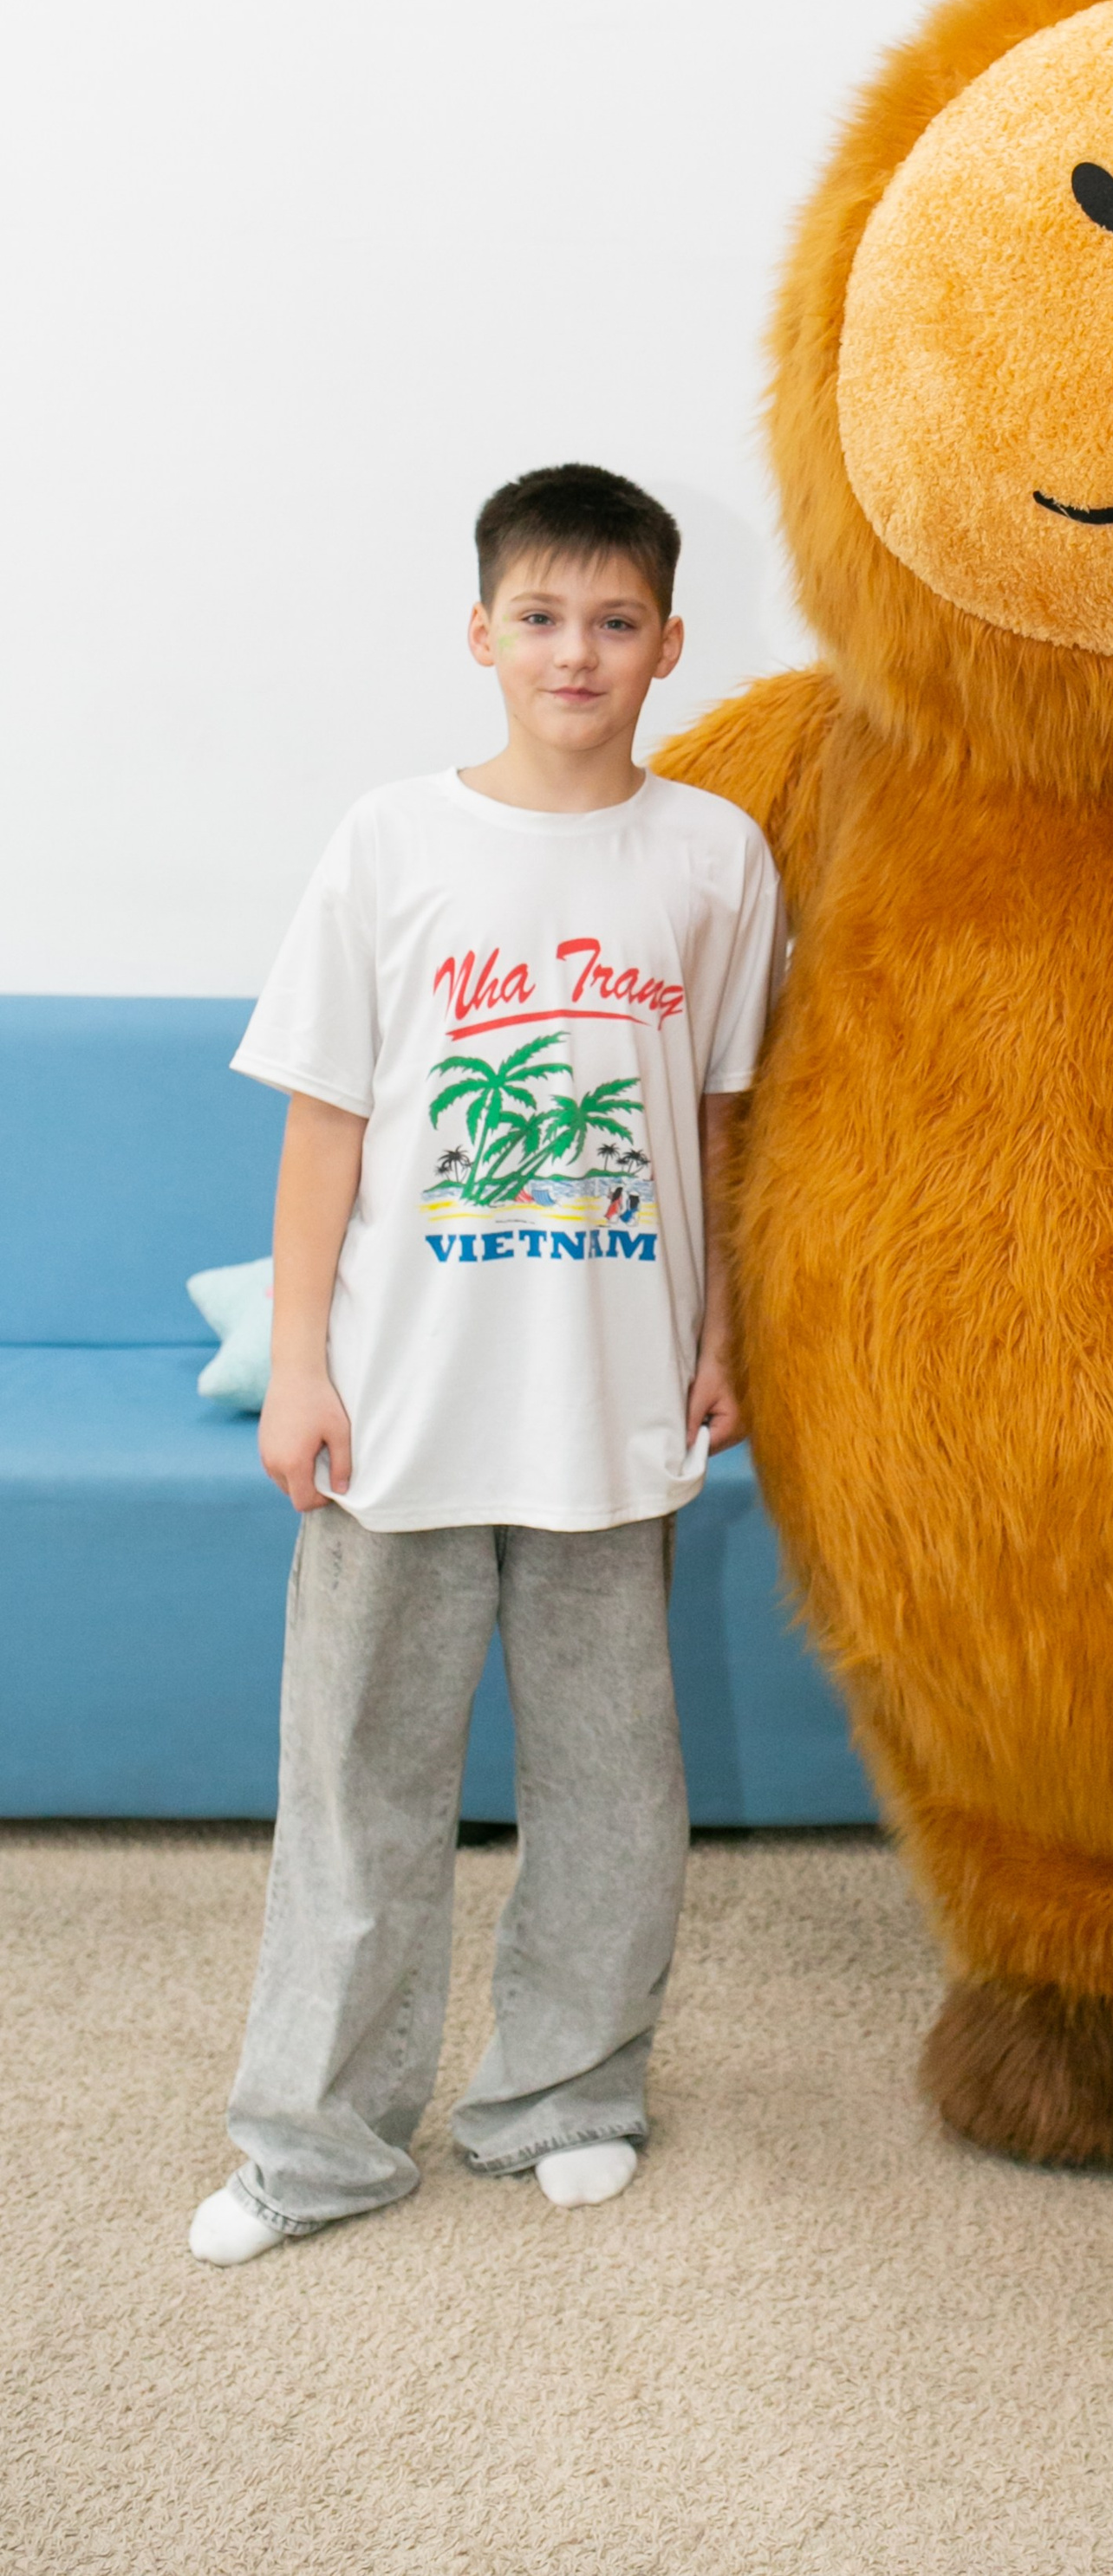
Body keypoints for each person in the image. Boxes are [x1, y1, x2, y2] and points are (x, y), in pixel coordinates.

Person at [189, 463, 781, 2265]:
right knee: (360, 1791)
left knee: (614, 1787)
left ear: (668, 642)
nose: (575, 651)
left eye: (613, 621)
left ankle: (567, 2093)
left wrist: (721, 1333)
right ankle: (316, 2146)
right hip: (402, 1412)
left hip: (608, 1416)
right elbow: (320, 1136)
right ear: (480, 634)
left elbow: (728, 1123)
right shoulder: (390, 843)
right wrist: (301, 1368)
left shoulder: (712, 857)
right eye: (539, 617)